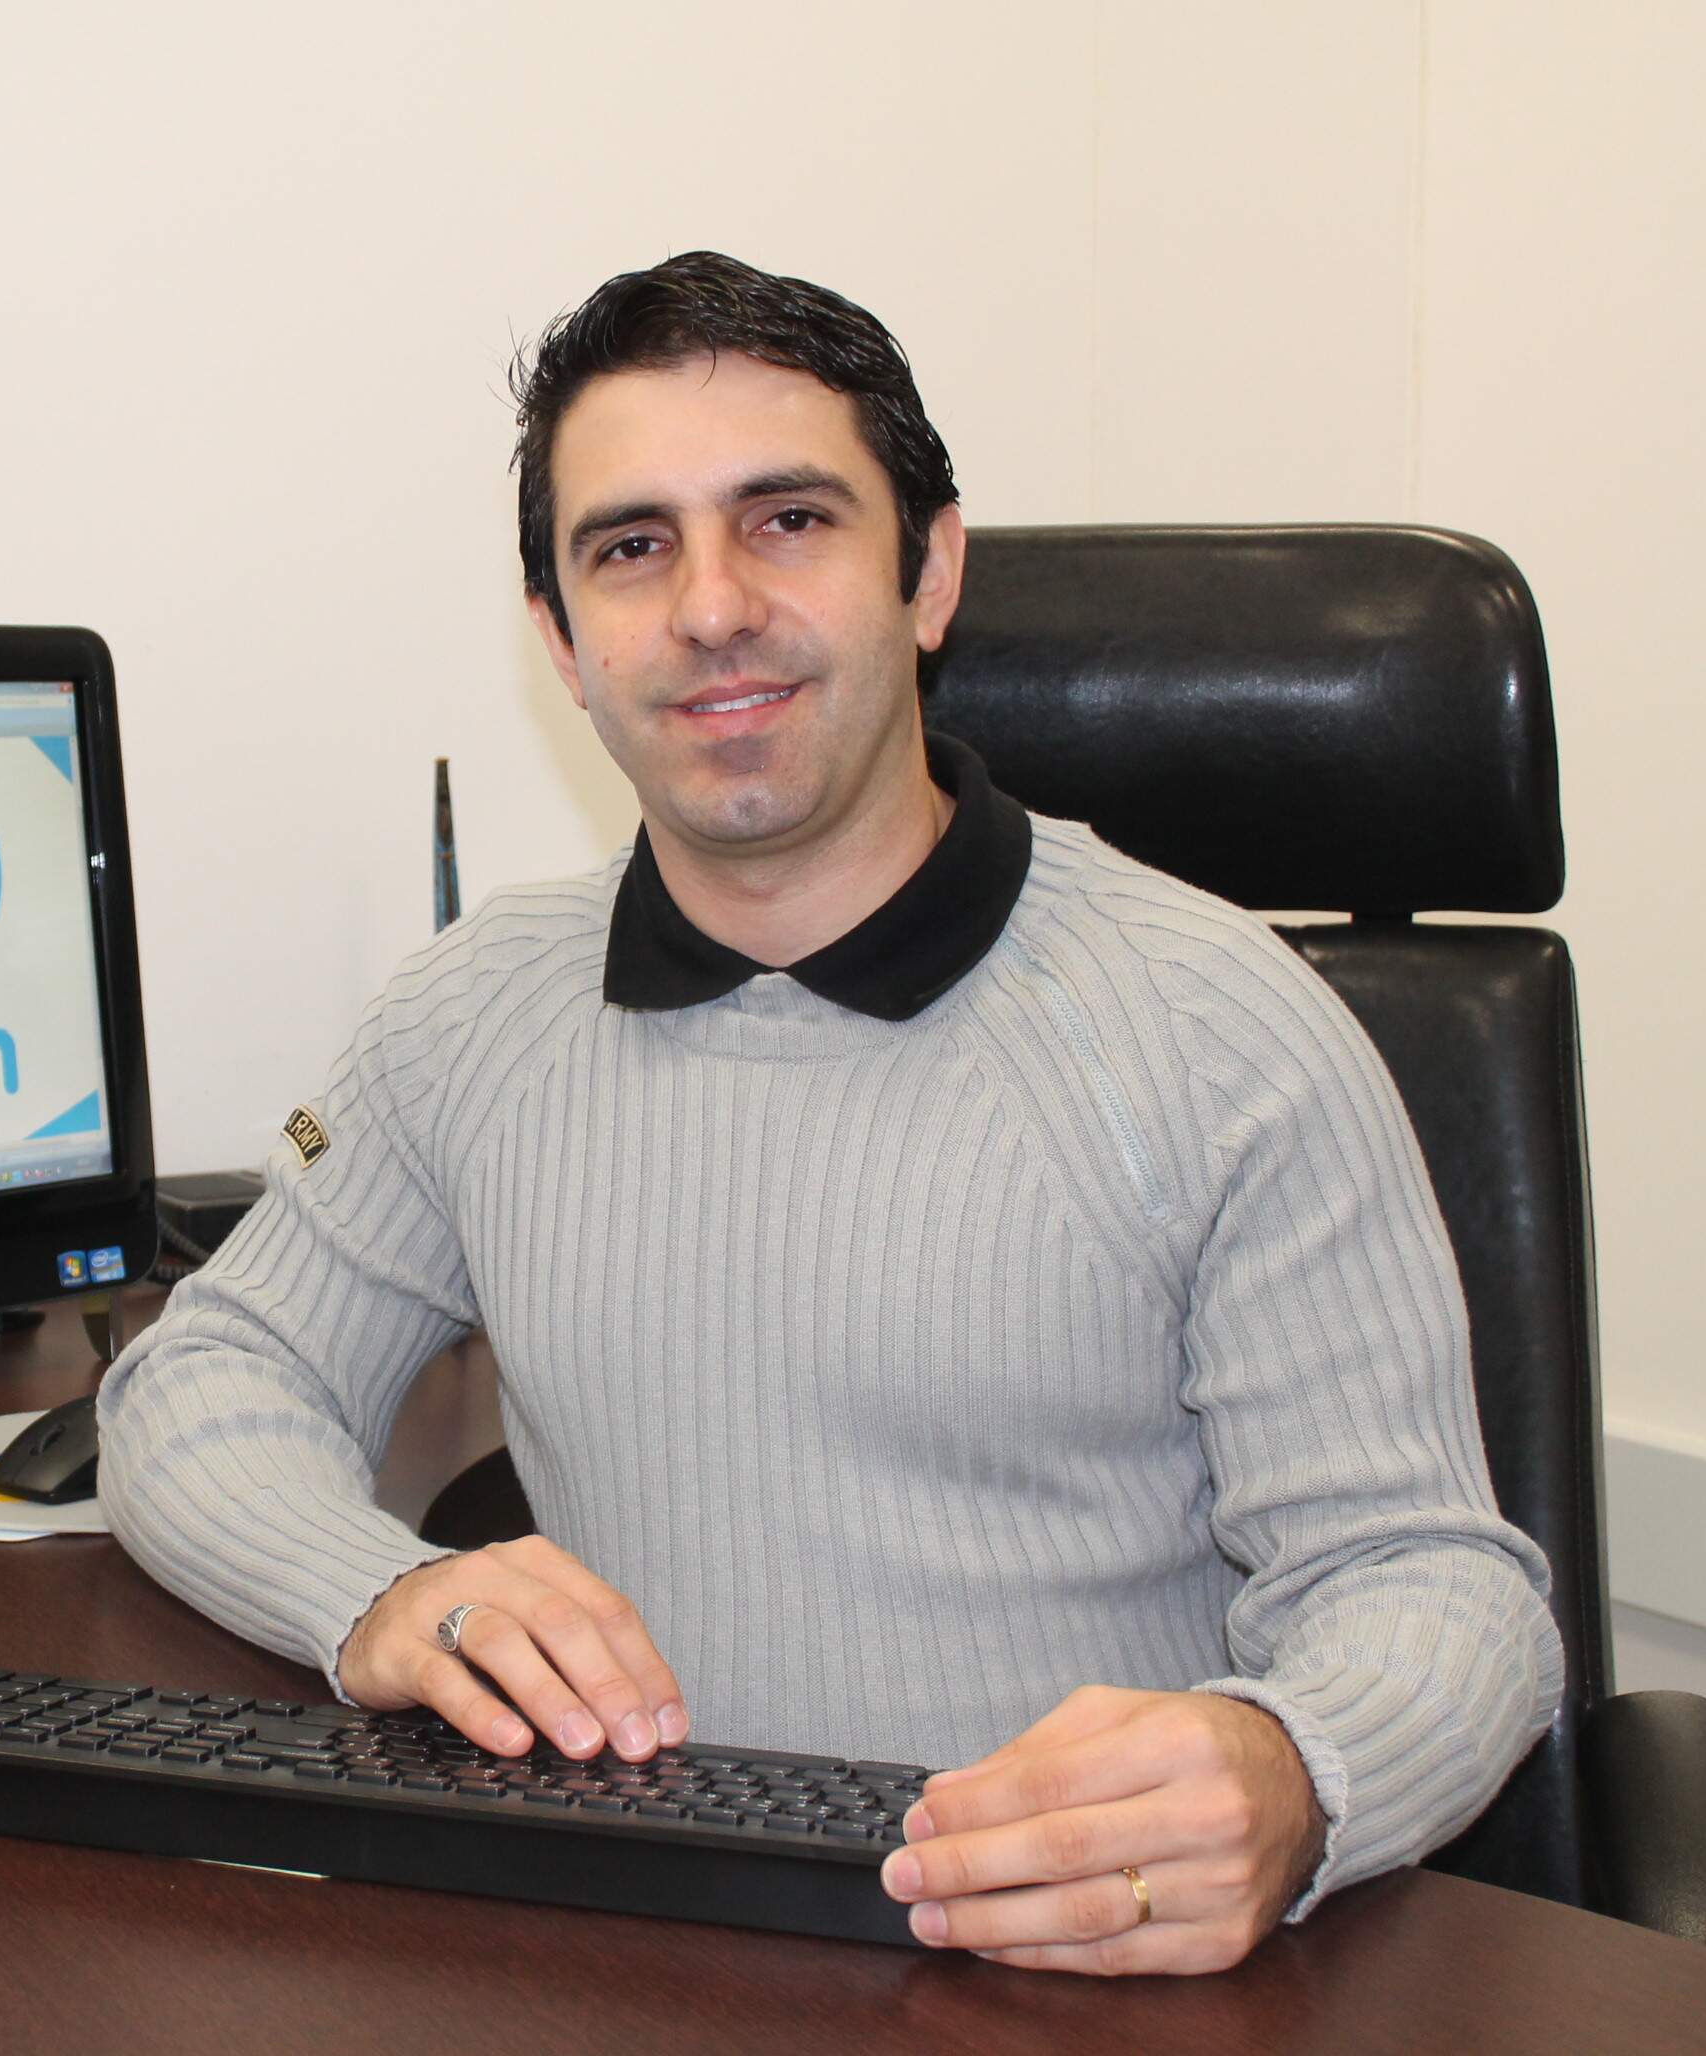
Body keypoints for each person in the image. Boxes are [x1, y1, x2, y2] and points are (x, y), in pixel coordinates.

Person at [94, 251, 1561, 1976]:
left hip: (1062, 1972)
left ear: (928, 573)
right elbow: (209, 1379)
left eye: (788, 521)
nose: (711, 608)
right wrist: (385, 1593)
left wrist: (1298, 1770)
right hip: (638, 1953)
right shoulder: (474, 1015)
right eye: (630, 548)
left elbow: (1435, 1584)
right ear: (562, 641)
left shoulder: (1219, 1029)